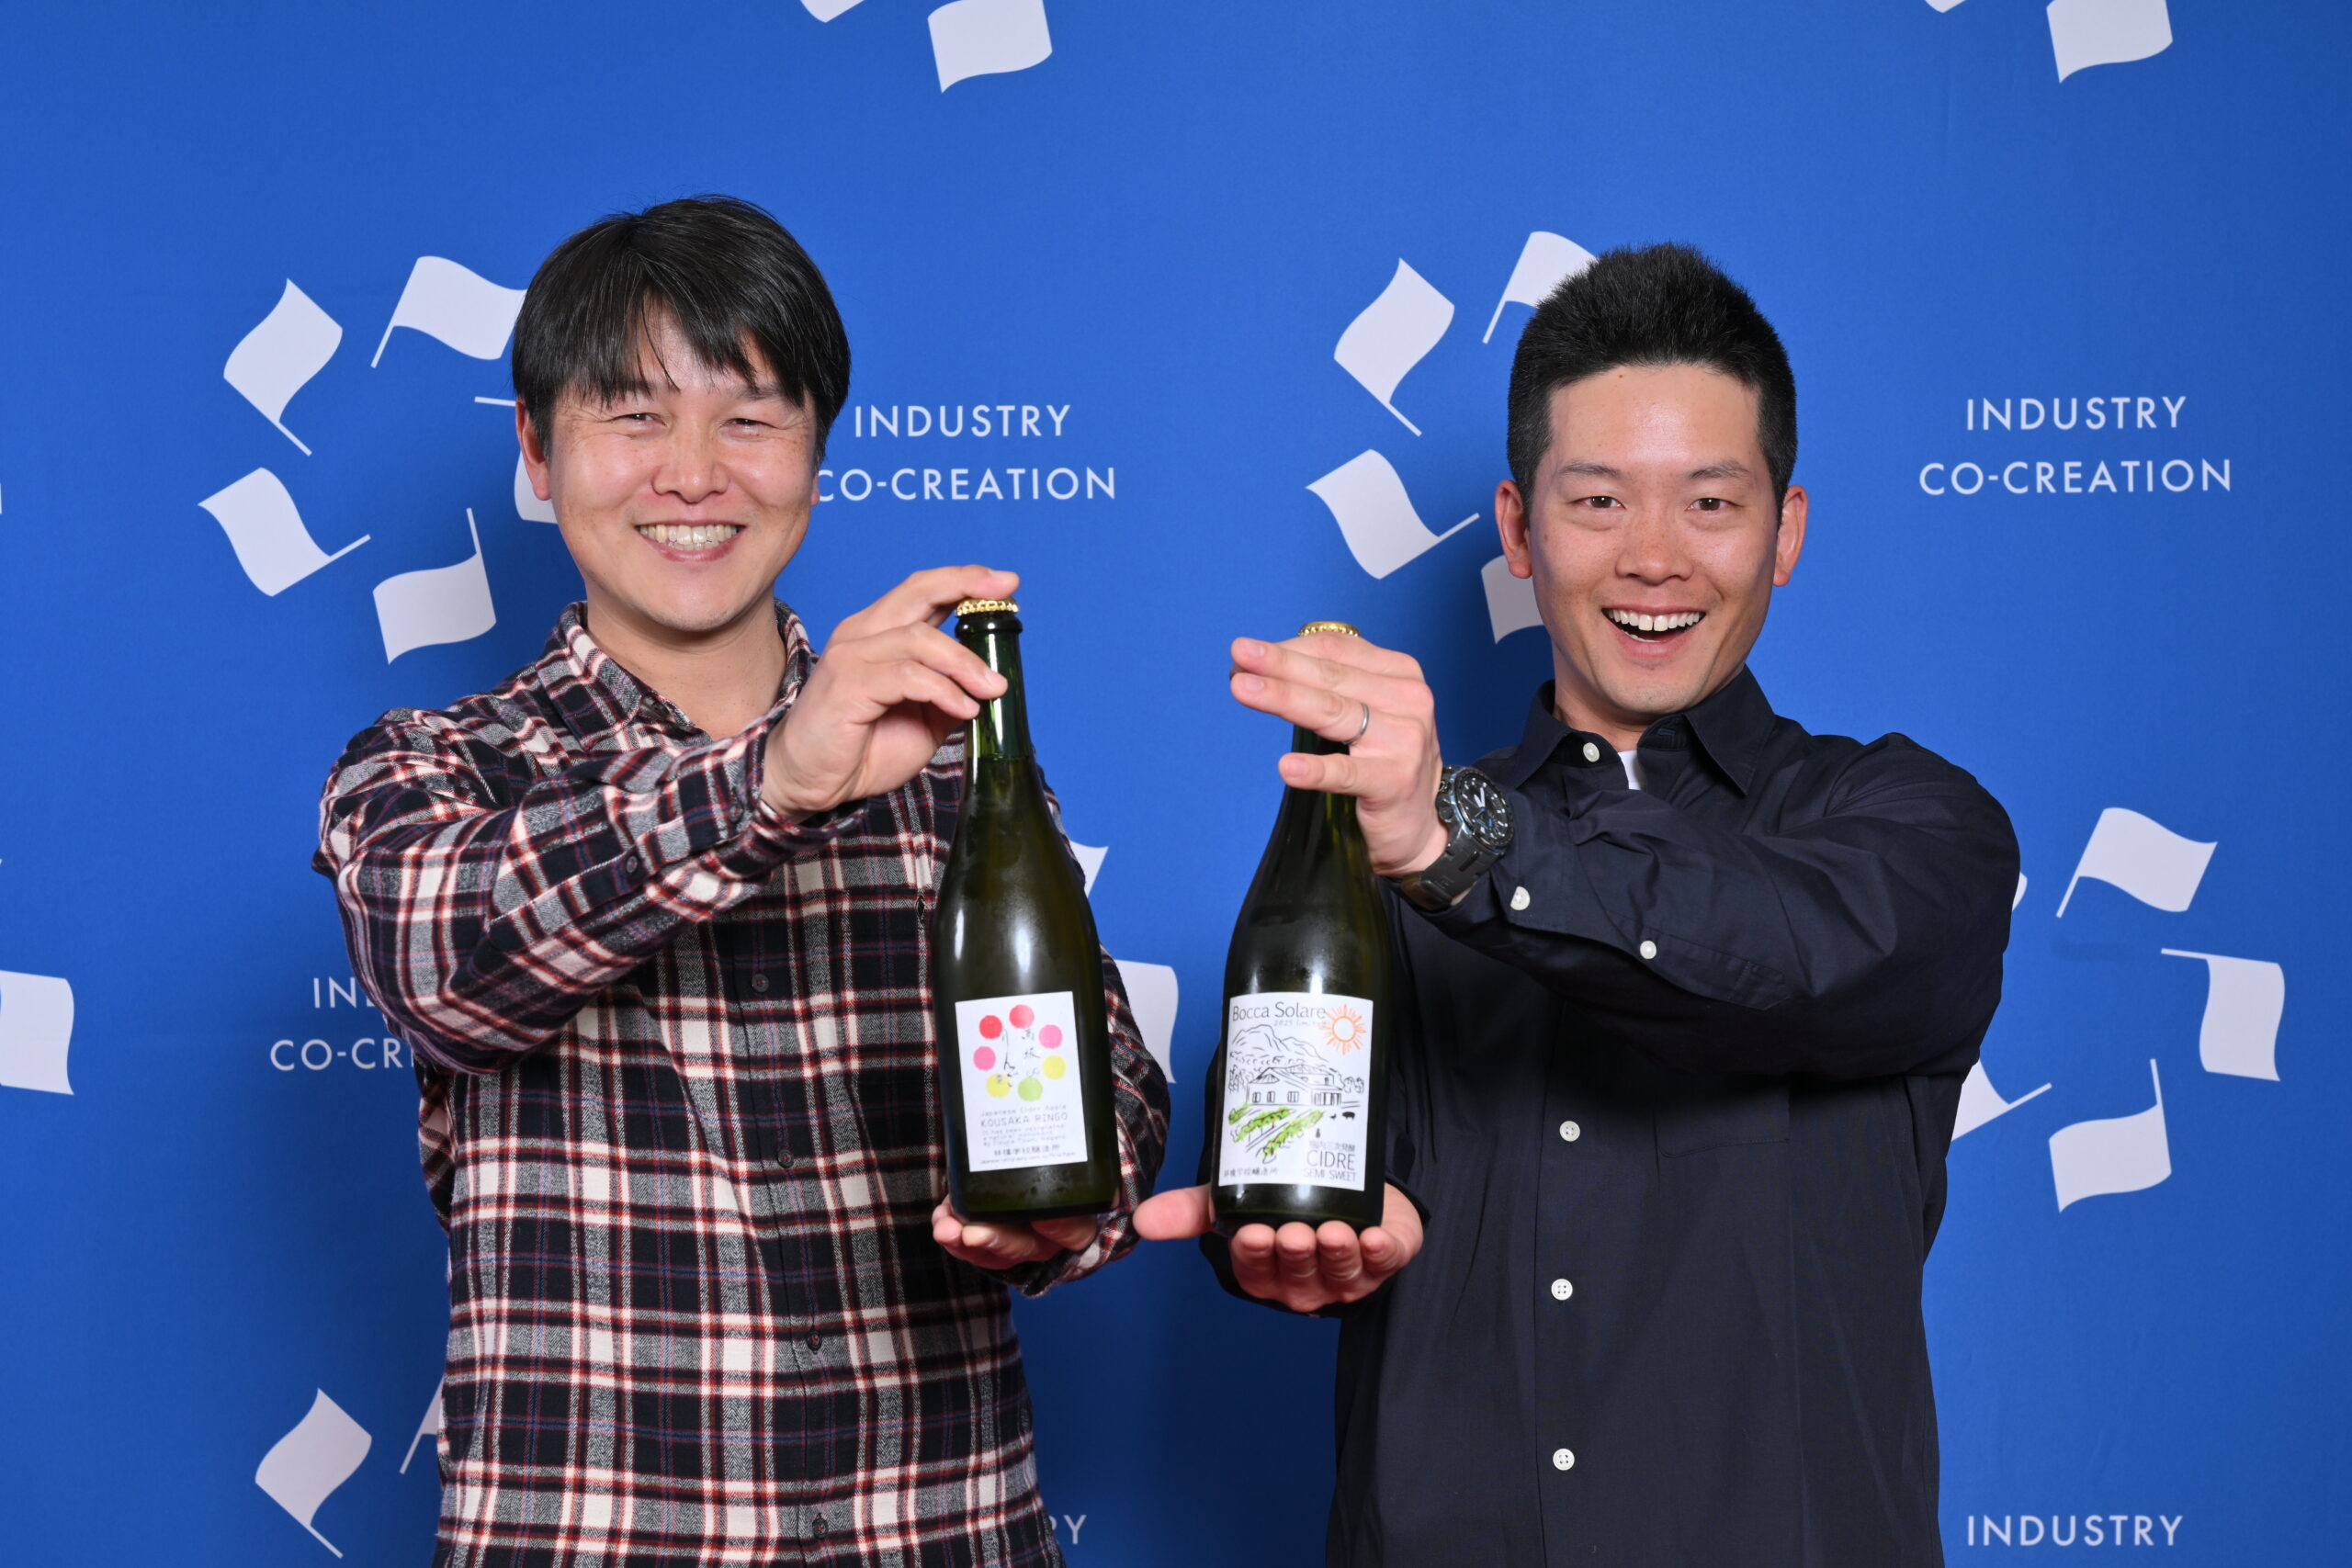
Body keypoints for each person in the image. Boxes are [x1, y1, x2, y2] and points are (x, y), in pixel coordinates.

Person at [315, 196, 1168, 1568]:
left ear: (818, 455)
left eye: (751, 419)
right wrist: (777, 778)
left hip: (940, 1529)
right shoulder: (435, 768)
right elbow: (442, 967)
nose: (695, 475)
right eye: (634, 417)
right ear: (536, 451)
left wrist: (1073, 1201)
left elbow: (1109, 1078)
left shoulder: (957, 768)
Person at [1138, 243, 2017, 1566]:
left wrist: (1460, 844)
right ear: (1517, 530)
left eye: (1710, 503)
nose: (1654, 559)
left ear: (1785, 531)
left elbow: (1789, 950)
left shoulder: (1910, 826)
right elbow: (1280, 1173)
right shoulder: (1371, 850)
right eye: (1598, 500)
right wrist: (1296, 1240)